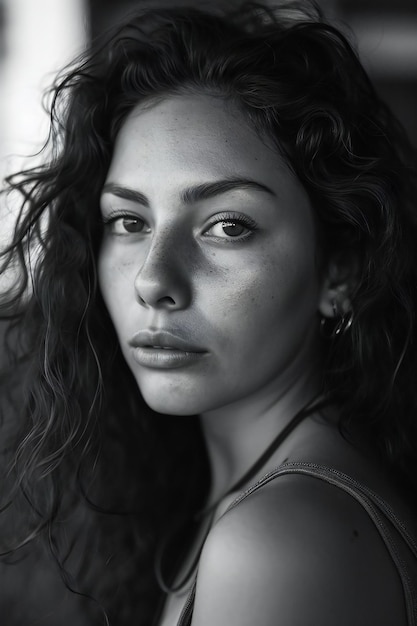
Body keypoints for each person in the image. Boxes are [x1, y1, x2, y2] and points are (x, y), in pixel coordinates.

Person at [1, 2, 417, 624]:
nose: (153, 280)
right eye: (130, 221)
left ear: (341, 269)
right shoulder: (237, 496)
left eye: (227, 226)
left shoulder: (279, 541)